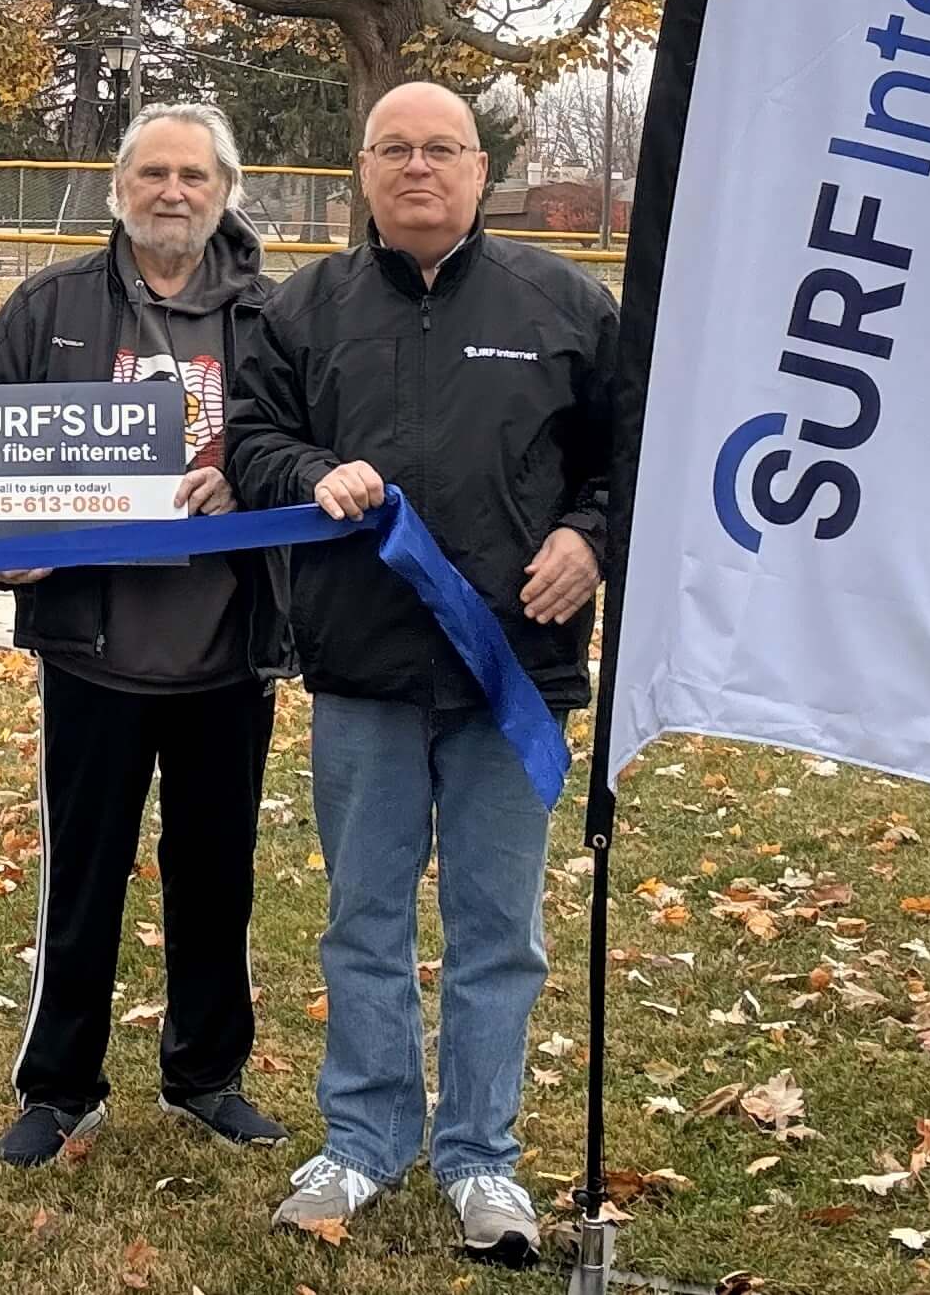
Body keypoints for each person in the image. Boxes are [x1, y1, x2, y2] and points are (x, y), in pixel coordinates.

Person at [224, 82, 615, 1266]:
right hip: (363, 669)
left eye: (440, 148)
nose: (416, 169)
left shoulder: (562, 302)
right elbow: (247, 441)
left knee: (498, 929)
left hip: (512, 673)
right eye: (392, 149)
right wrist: (306, 474)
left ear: (480, 170)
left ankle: (482, 1160)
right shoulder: (306, 307)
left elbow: (628, 457)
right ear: (361, 169)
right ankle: (364, 1138)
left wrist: (592, 536)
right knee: (363, 922)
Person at [0, 101, 293, 1169]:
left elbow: (305, 441)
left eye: (194, 175)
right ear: (118, 188)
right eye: (152, 174)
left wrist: (249, 477)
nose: (173, 192)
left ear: (226, 191)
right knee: (83, 877)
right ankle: (58, 1088)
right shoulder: (50, 307)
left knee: (218, 873)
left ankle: (206, 1076)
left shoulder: (275, 319)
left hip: (227, 648)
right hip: (93, 651)